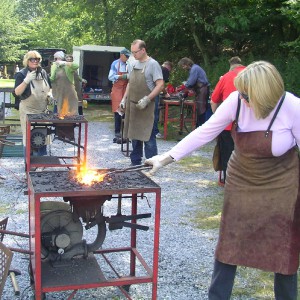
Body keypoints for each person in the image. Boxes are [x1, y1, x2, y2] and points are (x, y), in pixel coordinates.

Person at [145, 61, 300, 300]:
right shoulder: (237, 100)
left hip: (281, 185)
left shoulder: (291, 106)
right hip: (241, 180)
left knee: (283, 245)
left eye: (247, 95)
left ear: (265, 94)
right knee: (229, 243)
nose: (242, 99)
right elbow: (205, 131)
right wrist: (165, 158)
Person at [119, 39, 164, 166]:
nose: (133, 55)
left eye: (135, 52)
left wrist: (147, 99)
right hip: (133, 105)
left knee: (148, 136)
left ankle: (152, 164)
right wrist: (124, 99)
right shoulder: (134, 64)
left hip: (148, 106)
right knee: (134, 134)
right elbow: (130, 83)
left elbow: (160, 85)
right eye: (132, 52)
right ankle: (135, 162)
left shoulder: (153, 64)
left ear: (143, 50)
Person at [210, 56, 246, 183]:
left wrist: (217, 117)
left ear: (231, 67)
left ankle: (228, 179)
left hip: (228, 125)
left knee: (227, 153)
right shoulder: (254, 76)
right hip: (250, 125)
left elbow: (214, 100)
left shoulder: (226, 76)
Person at [14, 50, 52, 156]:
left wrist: (50, 94)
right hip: (28, 111)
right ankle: (29, 163)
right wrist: (26, 81)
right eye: (32, 59)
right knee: (29, 136)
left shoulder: (43, 72)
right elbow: (17, 92)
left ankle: (41, 161)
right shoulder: (21, 74)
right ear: (27, 60)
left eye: (37, 59)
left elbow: (50, 88)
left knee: (43, 135)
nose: (35, 61)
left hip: (42, 111)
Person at [178, 57, 209, 127]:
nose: (183, 68)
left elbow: (190, 82)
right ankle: (199, 126)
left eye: (183, 66)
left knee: (201, 110)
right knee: (199, 110)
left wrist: (183, 89)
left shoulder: (194, 69)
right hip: (200, 90)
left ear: (187, 64)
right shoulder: (194, 69)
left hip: (202, 90)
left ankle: (201, 127)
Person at [108, 48, 131, 142]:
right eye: (127, 56)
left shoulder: (129, 64)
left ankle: (126, 132)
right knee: (118, 109)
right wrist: (122, 76)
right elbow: (110, 77)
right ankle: (117, 131)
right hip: (117, 88)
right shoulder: (115, 64)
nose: (128, 58)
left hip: (126, 88)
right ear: (122, 55)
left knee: (127, 109)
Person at [50, 51, 79, 116]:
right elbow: (52, 79)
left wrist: (64, 63)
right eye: (55, 59)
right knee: (58, 111)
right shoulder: (54, 67)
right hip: (58, 92)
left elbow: (76, 66)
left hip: (69, 92)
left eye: (57, 59)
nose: (56, 61)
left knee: (70, 110)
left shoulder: (68, 67)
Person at [154, 61, 173, 139]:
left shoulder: (156, 67)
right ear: (169, 67)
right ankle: (155, 132)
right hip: (154, 93)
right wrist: (166, 93)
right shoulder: (165, 70)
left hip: (147, 92)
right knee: (155, 113)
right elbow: (162, 85)